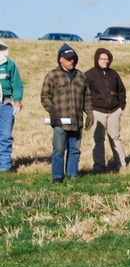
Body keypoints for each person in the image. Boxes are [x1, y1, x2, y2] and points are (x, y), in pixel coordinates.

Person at [41, 44, 93, 184]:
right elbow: (45, 97)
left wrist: (89, 113)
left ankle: (72, 175)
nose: (72, 61)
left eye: (73, 59)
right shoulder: (52, 76)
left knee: (75, 150)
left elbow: (87, 97)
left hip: (77, 120)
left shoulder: (80, 76)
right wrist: (52, 111)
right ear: (60, 59)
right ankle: (57, 177)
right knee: (58, 150)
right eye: (69, 59)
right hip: (60, 122)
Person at [85, 48, 127, 173]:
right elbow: (85, 94)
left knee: (115, 138)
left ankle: (121, 164)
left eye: (107, 59)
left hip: (114, 111)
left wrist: (121, 106)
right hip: (97, 111)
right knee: (98, 139)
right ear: (97, 59)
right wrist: (88, 110)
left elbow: (121, 90)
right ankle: (99, 166)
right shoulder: (89, 75)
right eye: (102, 59)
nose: (105, 61)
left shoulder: (113, 74)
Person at [0, 40, 23, 173]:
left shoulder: (9, 64)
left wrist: (18, 100)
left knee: (5, 136)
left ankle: (4, 166)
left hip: (5, 105)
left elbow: (16, 84)